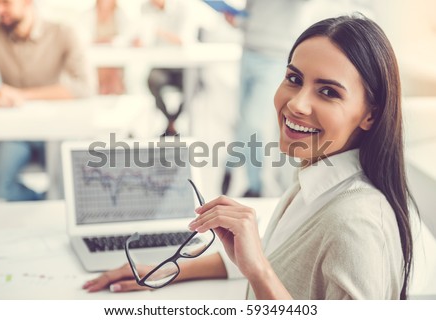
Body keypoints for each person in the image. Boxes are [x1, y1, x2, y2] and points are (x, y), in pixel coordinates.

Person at [82, 14, 416, 299]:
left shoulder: (355, 224)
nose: (297, 104)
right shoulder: (316, 180)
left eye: (328, 92)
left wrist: (258, 272)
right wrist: (160, 270)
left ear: (370, 114)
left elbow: (266, 267)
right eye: (294, 79)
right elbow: (280, 258)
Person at [0, 0, 93, 201]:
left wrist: (23, 95)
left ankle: (58, 208)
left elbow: (84, 87)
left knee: (69, 184)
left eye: (6, 3)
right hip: (17, 133)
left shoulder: (64, 33)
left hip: (58, 130)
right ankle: (42, 203)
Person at [221, 0, 309, 198]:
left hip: (273, 57)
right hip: (248, 51)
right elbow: (252, 16)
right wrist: (236, 21)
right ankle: (231, 164)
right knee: (242, 120)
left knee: (254, 123)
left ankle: (255, 185)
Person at [137, 0, 196, 136]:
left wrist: (159, 31)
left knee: (192, 86)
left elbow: (183, 40)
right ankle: (171, 122)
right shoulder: (145, 8)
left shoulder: (183, 7)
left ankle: (171, 123)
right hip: (162, 67)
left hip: (183, 67)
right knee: (152, 81)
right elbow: (145, 37)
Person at [80, 0, 133, 95]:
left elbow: (126, 36)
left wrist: (111, 41)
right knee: (102, 77)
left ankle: (114, 91)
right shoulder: (87, 15)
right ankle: (104, 92)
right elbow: (83, 37)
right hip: (97, 57)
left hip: (115, 58)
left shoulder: (121, 14)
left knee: (113, 73)